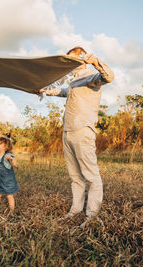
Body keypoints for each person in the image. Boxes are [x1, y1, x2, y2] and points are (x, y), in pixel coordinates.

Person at [39, 46, 114, 227]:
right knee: (75, 176)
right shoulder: (73, 82)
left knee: (91, 176)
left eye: (73, 60)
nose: (70, 65)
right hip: (68, 132)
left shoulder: (91, 77)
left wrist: (95, 61)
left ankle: (91, 216)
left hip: (83, 130)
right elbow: (62, 92)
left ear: (81, 59)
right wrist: (43, 90)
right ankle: (75, 210)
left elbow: (109, 77)